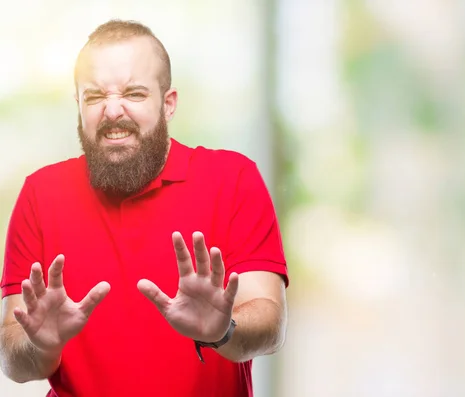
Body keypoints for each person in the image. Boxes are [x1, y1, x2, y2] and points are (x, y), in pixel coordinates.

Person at [0, 19, 289, 397]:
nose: (112, 110)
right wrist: (43, 344)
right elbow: (11, 356)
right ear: (79, 105)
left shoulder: (234, 178)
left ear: (168, 104)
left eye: (134, 93)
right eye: (94, 96)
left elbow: (270, 323)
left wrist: (224, 329)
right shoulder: (40, 193)